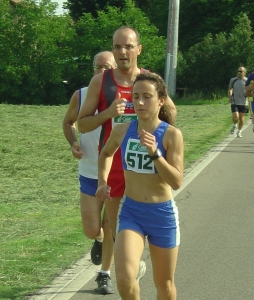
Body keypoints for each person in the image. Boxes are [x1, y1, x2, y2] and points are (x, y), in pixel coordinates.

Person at [78, 26, 177, 283]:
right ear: (113, 49)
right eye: (118, 47)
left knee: (123, 224)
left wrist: (160, 139)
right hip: (113, 163)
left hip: (143, 167)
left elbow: (172, 114)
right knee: (113, 227)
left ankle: (113, 271)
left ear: (138, 49)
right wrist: (109, 113)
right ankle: (125, 266)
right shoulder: (101, 81)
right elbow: (83, 124)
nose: (123, 52)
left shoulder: (149, 80)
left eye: (128, 46)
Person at [96, 72, 183, 300]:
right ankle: (134, 267)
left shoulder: (171, 135)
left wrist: (155, 154)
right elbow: (105, 153)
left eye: (147, 96)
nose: (140, 102)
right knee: (124, 279)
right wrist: (102, 181)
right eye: (136, 96)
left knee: (164, 286)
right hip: (132, 212)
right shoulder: (122, 130)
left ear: (161, 100)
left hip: (161, 214)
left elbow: (176, 181)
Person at [62, 51, 117, 294]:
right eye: (97, 68)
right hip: (89, 170)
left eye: (106, 68)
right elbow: (68, 122)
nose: (101, 72)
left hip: (117, 172)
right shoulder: (81, 95)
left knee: (111, 223)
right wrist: (73, 143)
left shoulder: (125, 95)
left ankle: (104, 273)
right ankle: (99, 239)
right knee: (92, 228)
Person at [228, 66, 248, 137]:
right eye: (238, 71)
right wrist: (230, 97)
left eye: (241, 71)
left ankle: (239, 131)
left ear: (245, 73)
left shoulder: (247, 80)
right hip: (235, 101)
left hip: (243, 102)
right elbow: (230, 89)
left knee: (242, 118)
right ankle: (234, 125)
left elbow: (250, 90)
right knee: (236, 116)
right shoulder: (233, 80)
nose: (239, 73)